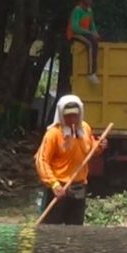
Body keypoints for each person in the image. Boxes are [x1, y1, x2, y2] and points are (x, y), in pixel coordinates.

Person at [35, 95, 107, 225]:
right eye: (68, 116)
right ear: (61, 115)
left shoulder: (85, 129)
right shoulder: (53, 134)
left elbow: (89, 150)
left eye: (75, 115)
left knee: (75, 227)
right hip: (59, 188)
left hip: (79, 187)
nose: (72, 119)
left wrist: (99, 146)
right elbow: (42, 161)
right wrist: (54, 184)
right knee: (52, 228)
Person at [67, 0, 101, 85]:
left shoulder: (89, 11)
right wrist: (90, 32)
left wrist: (95, 32)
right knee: (91, 43)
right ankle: (91, 72)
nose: (91, 0)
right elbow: (75, 27)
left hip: (85, 33)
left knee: (95, 41)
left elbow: (92, 24)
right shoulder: (77, 10)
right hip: (74, 34)